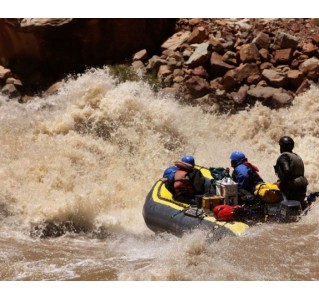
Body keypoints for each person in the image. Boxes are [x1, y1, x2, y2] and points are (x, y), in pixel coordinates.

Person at [274, 136, 308, 202]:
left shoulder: (284, 157)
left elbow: (287, 171)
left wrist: (280, 183)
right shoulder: (297, 156)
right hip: (302, 187)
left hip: (292, 188)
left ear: (282, 146)